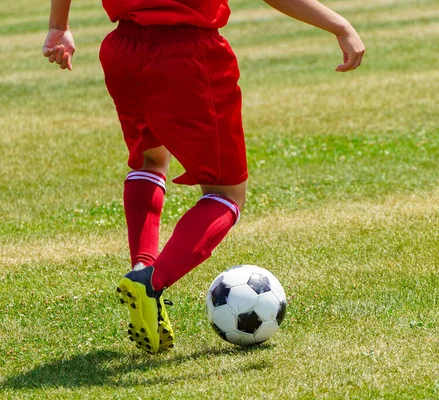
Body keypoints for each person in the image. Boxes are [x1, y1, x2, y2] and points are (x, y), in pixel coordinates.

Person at [43, 0, 365, 355]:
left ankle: (142, 265)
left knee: (151, 159)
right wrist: (339, 26)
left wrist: (59, 25)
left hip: (124, 49)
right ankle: (150, 282)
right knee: (226, 193)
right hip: (188, 56)